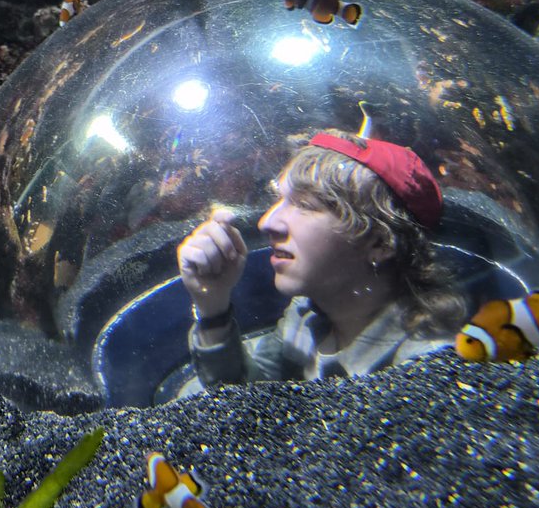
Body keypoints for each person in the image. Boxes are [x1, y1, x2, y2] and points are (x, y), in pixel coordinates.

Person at [176, 130, 468, 389]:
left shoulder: (427, 371)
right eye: (279, 200)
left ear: (379, 242)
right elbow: (245, 397)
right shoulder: (304, 315)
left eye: (305, 204)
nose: (267, 222)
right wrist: (212, 306)